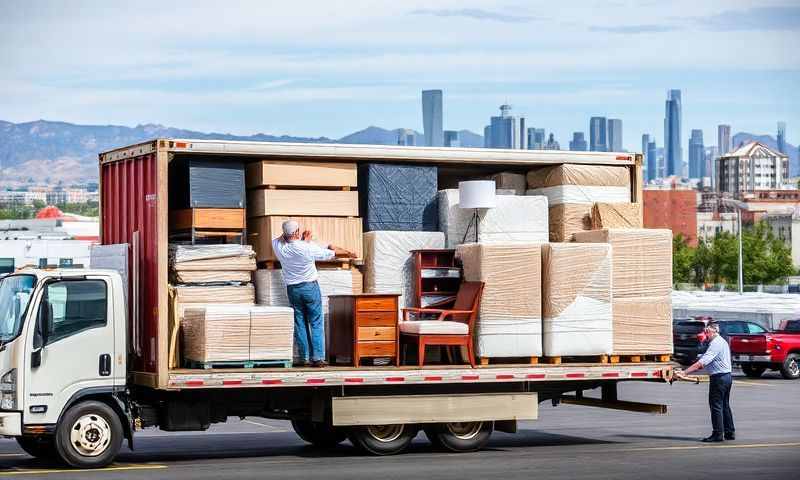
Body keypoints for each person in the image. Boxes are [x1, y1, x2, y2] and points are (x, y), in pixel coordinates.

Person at [272, 220, 354, 367]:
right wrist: (351, 253)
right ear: (297, 232)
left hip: (292, 289)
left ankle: (303, 357)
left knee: (300, 322)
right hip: (310, 288)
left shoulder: (278, 247)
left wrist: (302, 240)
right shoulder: (307, 248)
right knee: (316, 322)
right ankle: (317, 358)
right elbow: (331, 254)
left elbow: (280, 239)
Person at [680, 320, 735, 442]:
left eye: (707, 331)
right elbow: (702, 356)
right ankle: (729, 432)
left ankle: (718, 434)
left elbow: (701, 363)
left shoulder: (716, 343)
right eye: (705, 331)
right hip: (726, 376)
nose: (705, 333)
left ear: (714, 331)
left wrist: (684, 372)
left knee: (716, 405)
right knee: (724, 405)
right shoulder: (720, 342)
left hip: (719, 378)